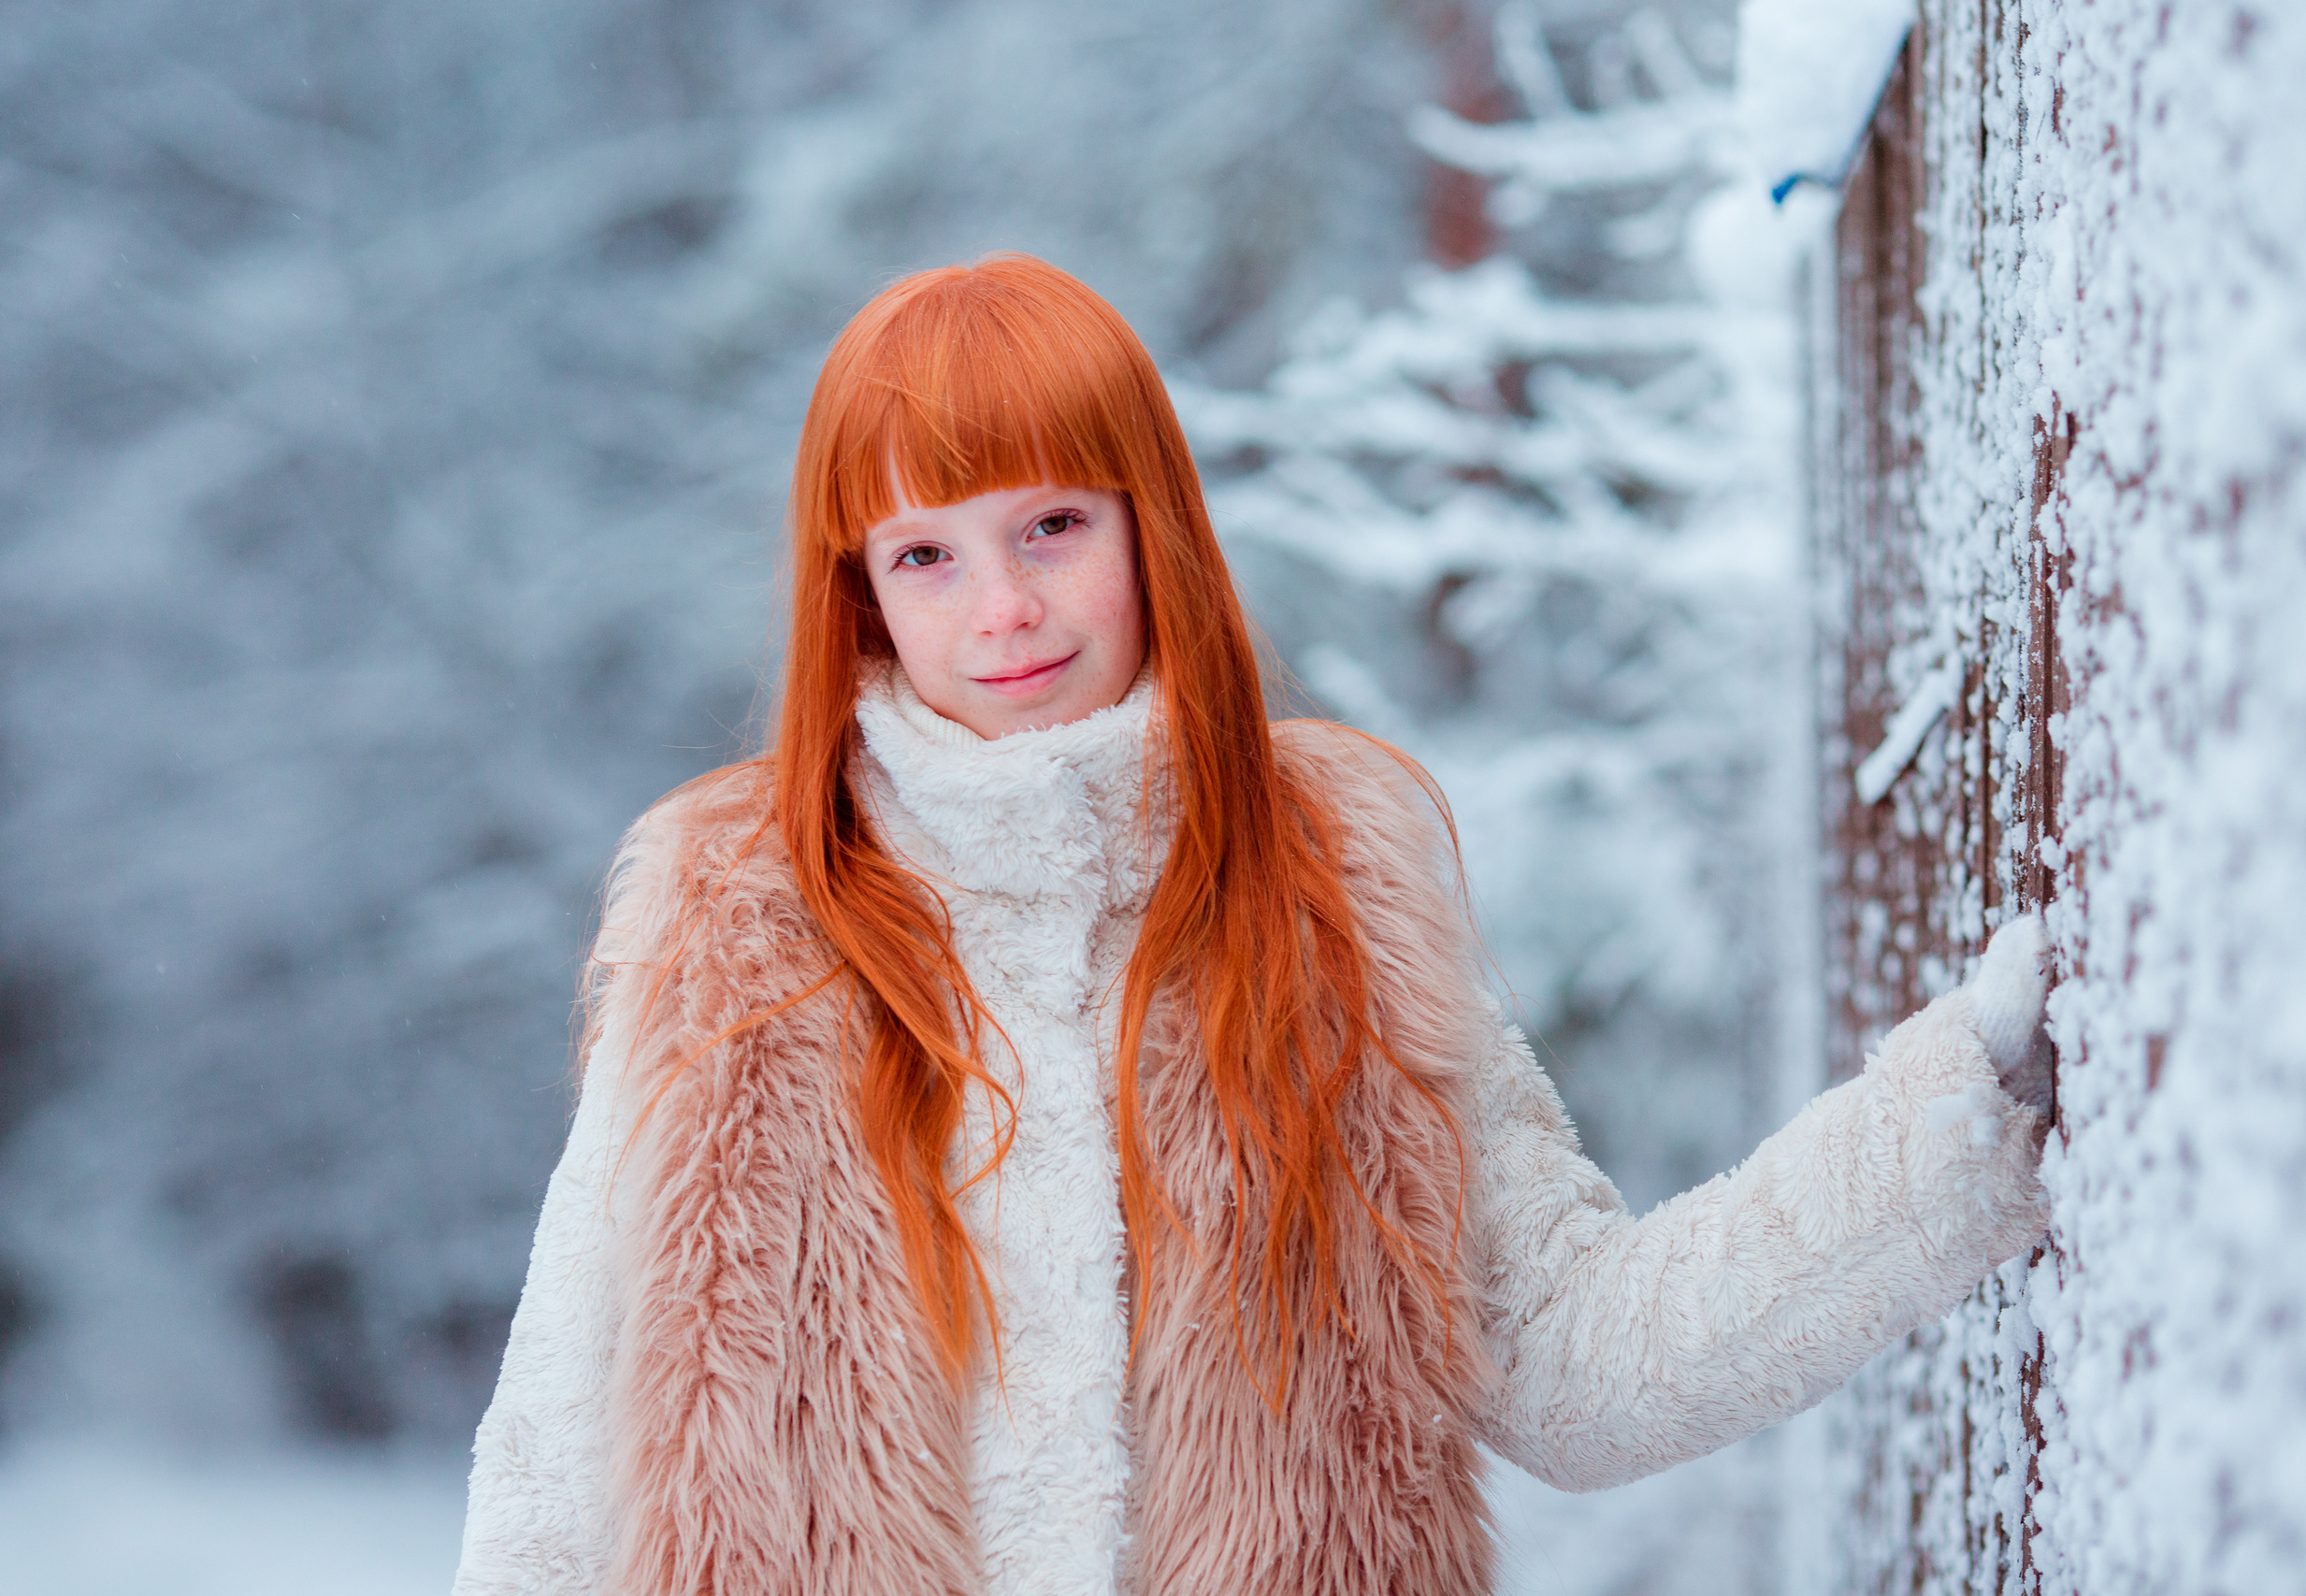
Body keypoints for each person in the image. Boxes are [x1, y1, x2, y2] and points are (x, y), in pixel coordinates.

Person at [452, 254, 2054, 1596]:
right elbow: (548, 1479)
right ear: (860, 596)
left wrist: (1958, 1121)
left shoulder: (1330, 891)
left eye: (1052, 526)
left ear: (1155, 526)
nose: (1000, 607)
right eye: (927, 554)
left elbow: (1579, 1361)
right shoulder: (735, 927)